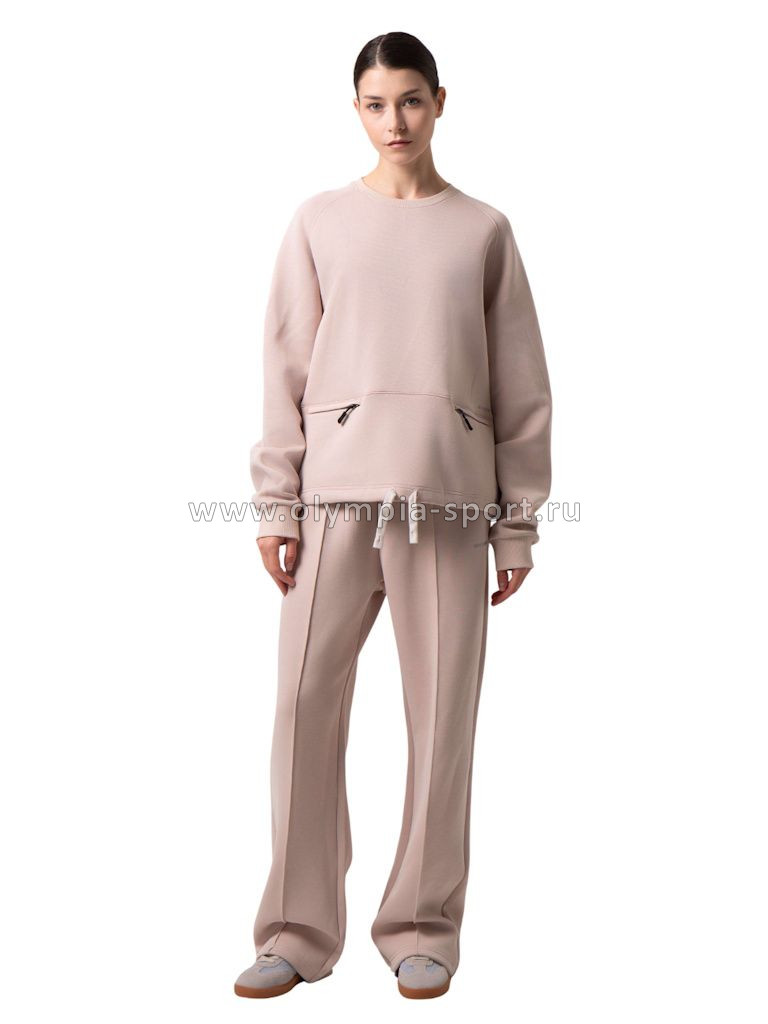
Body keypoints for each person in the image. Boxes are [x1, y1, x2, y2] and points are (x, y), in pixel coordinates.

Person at [234, 31, 552, 1000]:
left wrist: (517, 523)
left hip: (448, 501)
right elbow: (285, 368)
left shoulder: (483, 230)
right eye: (377, 104)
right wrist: (276, 502)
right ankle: (295, 930)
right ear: (357, 110)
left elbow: (522, 387)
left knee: (441, 719)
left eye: (410, 100)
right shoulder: (320, 221)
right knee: (301, 709)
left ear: (440, 101)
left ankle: (422, 925)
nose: (395, 121)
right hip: (332, 500)